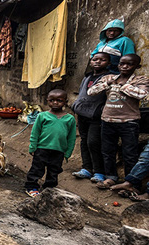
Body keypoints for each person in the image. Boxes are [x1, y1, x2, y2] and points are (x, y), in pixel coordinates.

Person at [89, 54, 149, 189]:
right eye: (122, 64)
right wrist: (107, 84)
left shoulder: (140, 80)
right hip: (107, 119)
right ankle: (111, 177)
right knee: (107, 151)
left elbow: (142, 95)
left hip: (129, 121)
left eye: (129, 64)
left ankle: (131, 183)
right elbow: (91, 91)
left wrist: (125, 86)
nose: (125, 66)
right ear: (118, 65)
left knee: (129, 153)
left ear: (137, 66)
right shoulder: (109, 78)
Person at [25, 89, 76, 197]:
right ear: (47, 101)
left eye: (59, 100)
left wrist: (68, 152)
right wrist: (33, 146)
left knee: (54, 171)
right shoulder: (42, 116)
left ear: (65, 102)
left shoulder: (70, 119)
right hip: (42, 148)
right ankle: (31, 187)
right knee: (37, 168)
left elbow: (71, 137)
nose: (55, 103)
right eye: (52, 100)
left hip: (59, 150)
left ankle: (49, 188)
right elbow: (35, 132)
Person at [71, 52, 110, 182]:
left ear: (109, 63)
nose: (98, 62)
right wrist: (76, 105)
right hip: (82, 114)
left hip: (96, 116)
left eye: (102, 60)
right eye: (95, 59)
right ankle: (87, 168)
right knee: (84, 141)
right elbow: (82, 93)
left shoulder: (109, 78)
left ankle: (99, 171)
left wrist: (101, 111)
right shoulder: (87, 77)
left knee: (93, 142)